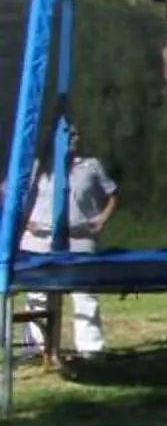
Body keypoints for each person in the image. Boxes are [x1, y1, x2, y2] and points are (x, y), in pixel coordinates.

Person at [17, 145, 117, 360]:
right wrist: (24, 220)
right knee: (38, 294)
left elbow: (112, 194)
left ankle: (91, 348)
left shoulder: (91, 165)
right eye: (68, 134)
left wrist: (100, 221)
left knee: (84, 294)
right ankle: (37, 346)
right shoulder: (39, 166)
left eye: (76, 134)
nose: (72, 139)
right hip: (40, 240)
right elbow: (9, 190)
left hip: (79, 239)